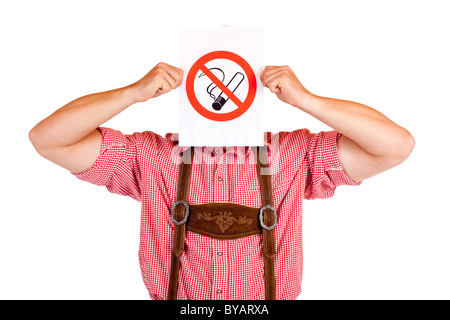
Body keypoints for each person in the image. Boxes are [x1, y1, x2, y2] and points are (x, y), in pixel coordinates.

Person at [29, 62, 414, 300]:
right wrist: (133, 93)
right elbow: (48, 138)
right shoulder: (152, 156)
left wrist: (307, 100)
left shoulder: (293, 155)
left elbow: (396, 145)